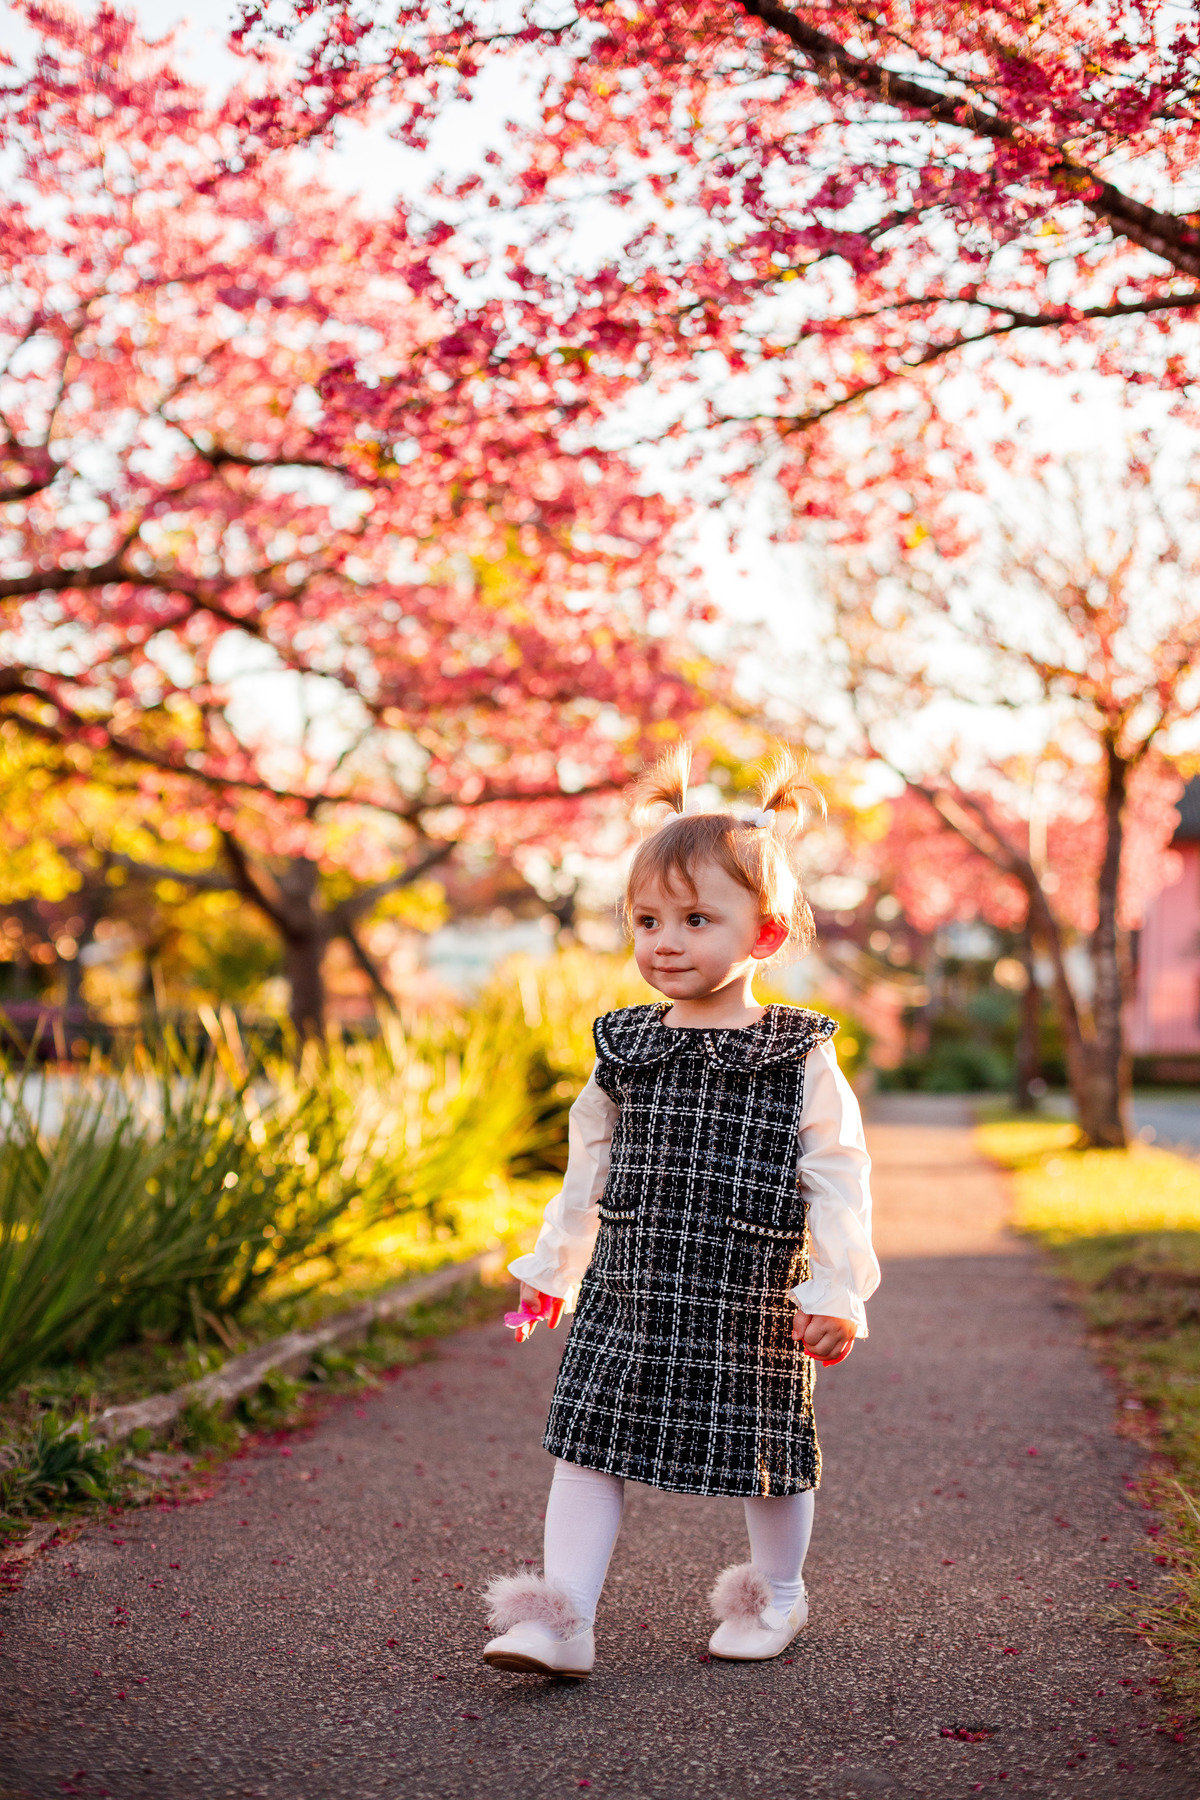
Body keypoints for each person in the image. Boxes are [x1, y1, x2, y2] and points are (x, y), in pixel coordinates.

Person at [482, 744, 879, 1677]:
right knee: (587, 1440)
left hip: (748, 1294)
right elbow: (588, 1165)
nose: (664, 941)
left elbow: (838, 1173)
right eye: (646, 919)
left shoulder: (798, 1051)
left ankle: (777, 1593)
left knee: (767, 1449)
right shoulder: (624, 1044)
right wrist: (554, 1270)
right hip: (631, 1285)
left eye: (696, 919)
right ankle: (562, 1617)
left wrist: (836, 1289)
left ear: (766, 936)